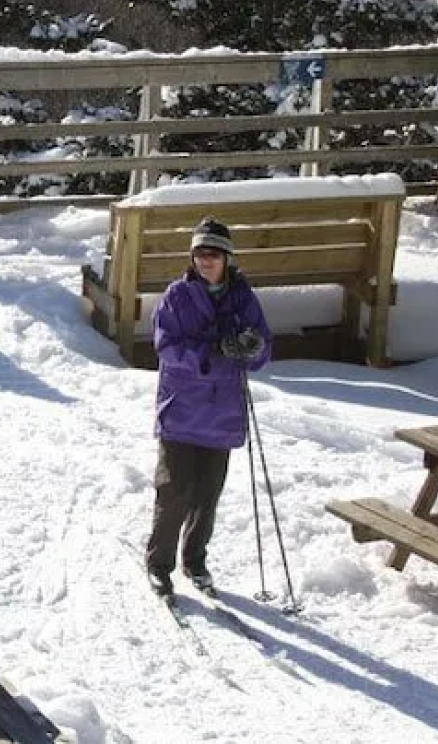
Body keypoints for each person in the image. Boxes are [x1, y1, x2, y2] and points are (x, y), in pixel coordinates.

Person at [145, 217, 273, 597]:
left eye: (212, 253)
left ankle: (195, 560)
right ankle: (159, 563)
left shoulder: (243, 298)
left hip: (222, 411)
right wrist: (214, 352)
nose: (205, 260)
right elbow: (167, 347)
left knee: (207, 493)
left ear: (227, 258)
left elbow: (263, 344)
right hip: (182, 407)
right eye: (199, 253)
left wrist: (253, 348)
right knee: (174, 490)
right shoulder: (176, 296)